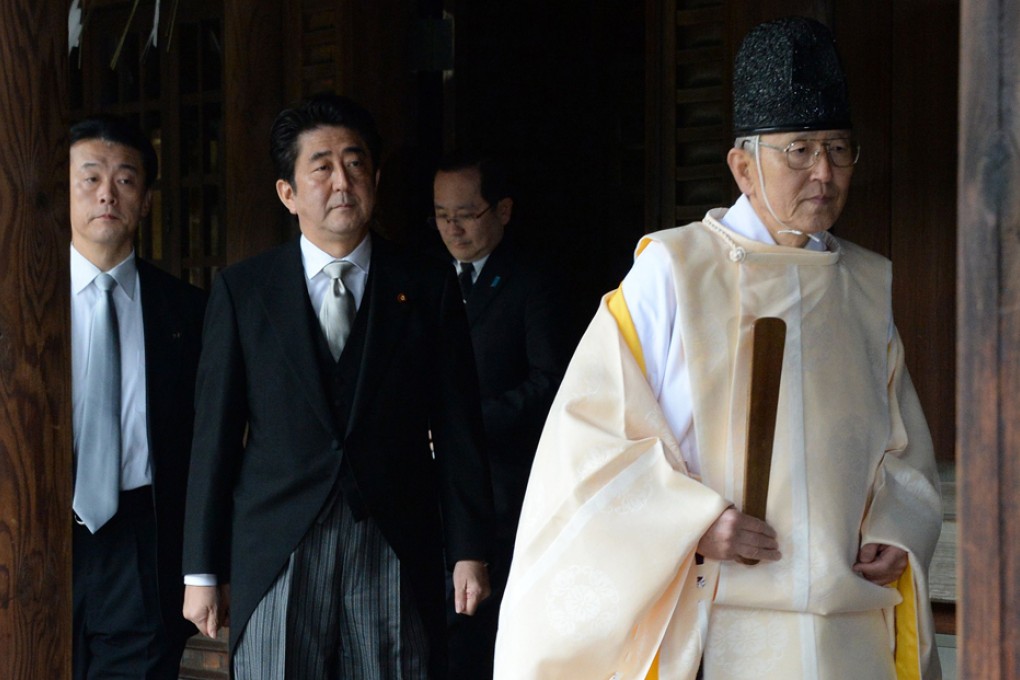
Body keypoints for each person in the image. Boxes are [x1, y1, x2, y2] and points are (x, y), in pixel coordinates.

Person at [493, 17, 942, 680]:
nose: (823, 172)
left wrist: (895, 528)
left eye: (839, 150)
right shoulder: (673, 271)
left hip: (849, 626)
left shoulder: (865, 284)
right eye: (799, 150)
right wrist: (692, 523)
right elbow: (589, 440)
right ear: (742, 165)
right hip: (719, 614)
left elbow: (904, 446)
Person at [181, 93, 495, 679]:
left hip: (394, 536)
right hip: (276, 542)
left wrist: (470, 548)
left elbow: (457, 424)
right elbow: (214, 436)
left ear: (374, 177)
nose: (341, 181)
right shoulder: (244, 291)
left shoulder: (425, 285)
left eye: (354, 163)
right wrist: (201, 569)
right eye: (320, 167)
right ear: (288, 193)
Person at [70, 114, 206, 679]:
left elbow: (208, 442)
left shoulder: (188, 310)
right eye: (90, 177)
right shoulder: (19, 301)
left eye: (125, 180)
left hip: (142, 537)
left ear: (146, 200)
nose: (107, 193)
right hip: (30, 528)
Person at [431, 152, 570, 678]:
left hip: (504, 483)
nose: (453, 227)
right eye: (442, 215)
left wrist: (465, 427)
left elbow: (550, 381)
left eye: (466, 213)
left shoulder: (533, 281)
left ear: (503, 211)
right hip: (433, 488)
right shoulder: (427, 278)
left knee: (484, 626)